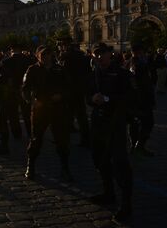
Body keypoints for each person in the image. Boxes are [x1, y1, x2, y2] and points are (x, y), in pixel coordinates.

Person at [87, 43, 134, 222]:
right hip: (98, 122)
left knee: (120, 163)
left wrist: (107, 99)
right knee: (99, 159)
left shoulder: (122, 74)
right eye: (96, 54)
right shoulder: (93, 75)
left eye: (102, 54)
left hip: (115, 123)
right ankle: (108, 193)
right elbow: (87, 95)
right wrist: (92, 99)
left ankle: (126, 204)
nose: (99, 57)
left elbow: (131, 97)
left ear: (110, 55)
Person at [22, 46, 72, 181]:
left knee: (61, 140)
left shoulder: (59, 69)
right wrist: (31, 101)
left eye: (48, 54)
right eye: (42, 55)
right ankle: (30, 166)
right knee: (36, 139)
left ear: (52, 56)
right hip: (40, 109)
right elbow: (25, 89)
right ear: (38, 56)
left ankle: (65, 168)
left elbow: (68, 87)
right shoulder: (32, 69)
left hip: (57, 108)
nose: (45, 57)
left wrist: (61, 96)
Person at [57, 36, 91, 147]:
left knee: (66, 114)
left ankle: (64, 138)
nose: (59, 47)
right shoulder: (81, 54)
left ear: (64, 45)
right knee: (81, 115)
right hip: (80, 89)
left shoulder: (65, 56)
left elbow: (63, 74)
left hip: (69, 89)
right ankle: (85, 138)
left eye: (60, 45)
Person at [128, 43, 155, 156]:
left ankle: (135, 146)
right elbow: (138, 83)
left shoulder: (130, 62)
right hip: (141, 99)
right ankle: (139, 145)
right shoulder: (138, 64)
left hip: (136, 99)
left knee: (135, 123)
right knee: (148, 122)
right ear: (139, 52)